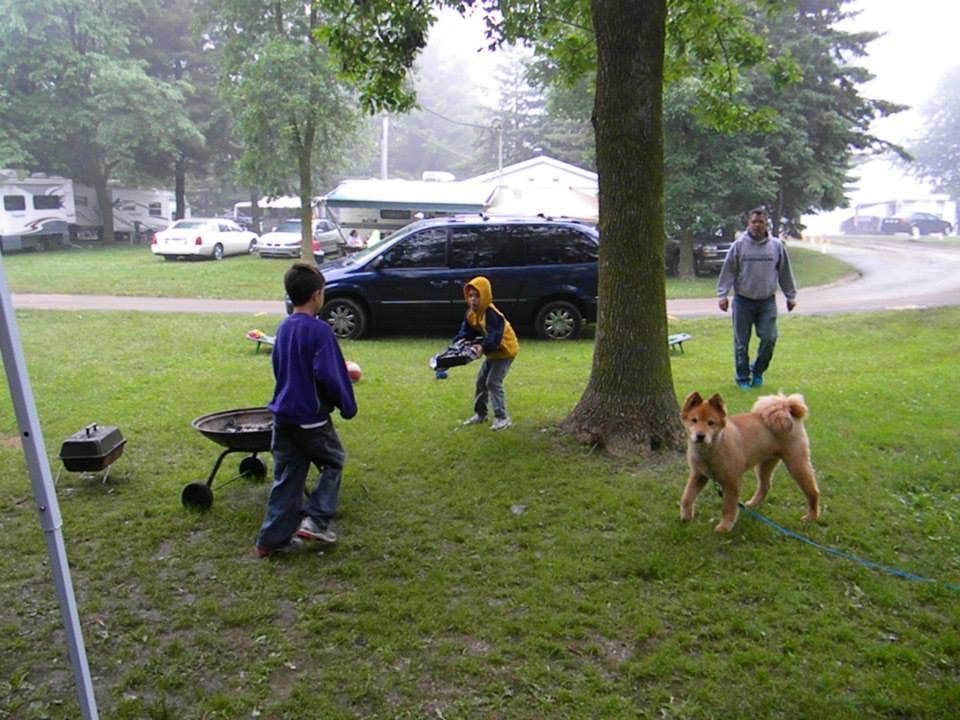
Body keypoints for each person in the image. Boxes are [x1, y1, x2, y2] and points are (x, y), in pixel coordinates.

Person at [255, 263, 357, 557]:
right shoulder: (319, 331)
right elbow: (331, 374)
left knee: (288, 476)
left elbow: (279, 368)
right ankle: (316, 521)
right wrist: (347, 405)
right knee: (333, 461)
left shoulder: (284, 327)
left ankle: (270, 541)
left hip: (283, 417)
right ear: (316, 295)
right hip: (310, 419)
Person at [717, 207, 797, 390]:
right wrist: (722, 295)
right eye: (754, 222)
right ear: (749, 223)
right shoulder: (739, 246)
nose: (757, 225)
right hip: (743, 301)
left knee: (769, 338)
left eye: (761, 222)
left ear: (766, 224)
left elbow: (785, 272)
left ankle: (758, 371)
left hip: (766, 301)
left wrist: (790, 296)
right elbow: (728, 271)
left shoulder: (776, 246)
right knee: (741, 343)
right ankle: (742, 377)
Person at [456, 276, 519, 431]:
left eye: (477, 296)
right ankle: (480, 414)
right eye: (470, 296)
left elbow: (494, 338)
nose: (473, 300)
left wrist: (482, 347)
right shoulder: (471, 313)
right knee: (481, 381)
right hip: (492, 353)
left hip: (505, 351)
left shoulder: (492, 314)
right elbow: (466, 331)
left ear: (485, 295)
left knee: (493, 382)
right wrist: (459, 342)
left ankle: (502, 417)